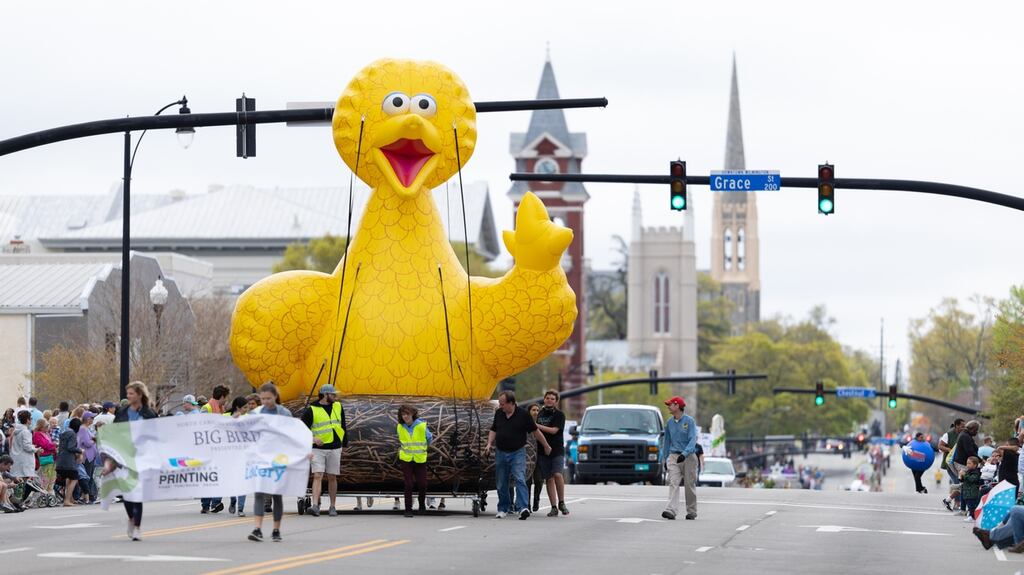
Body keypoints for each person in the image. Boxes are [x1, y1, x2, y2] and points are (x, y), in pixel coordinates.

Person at [484, 390, 552, 520]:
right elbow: (494, 429)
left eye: (502, 404)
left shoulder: (523, 415)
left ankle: (523, 508)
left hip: (517, 452)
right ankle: (503, 508)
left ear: (511, 403)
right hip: (501, 451)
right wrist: (489, 444)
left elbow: (536, 432)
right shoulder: (499, 413)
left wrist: (546, 445)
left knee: (520, 479)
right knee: (501, 481)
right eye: (499, 403)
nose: (500, 406)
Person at [105, 381, 158, 540]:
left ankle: (137, 527)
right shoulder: (122, 412)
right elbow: (113, 434)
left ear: (140, 394)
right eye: (127, 394)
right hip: (123, 457)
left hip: (141, 457)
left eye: (131, 393)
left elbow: (155, 435)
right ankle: (131, 518)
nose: (128, 396)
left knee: (136, 493)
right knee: (127, 492)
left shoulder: (149, 414)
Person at [248, 382, 292, 543]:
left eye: (268, 398)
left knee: (276, 495)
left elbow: (293, 434)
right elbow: (245, 432)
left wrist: (303, 451)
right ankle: (257, 529)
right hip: (260, 458)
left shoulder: (284, 413)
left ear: (275, 396)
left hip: (278, 458)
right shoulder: (256, 414)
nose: (265, 401)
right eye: (263, 398)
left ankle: (276, 530)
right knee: (259, 493)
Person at [300, 384, 346, 517]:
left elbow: (342, 425)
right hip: (318, 449)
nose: (335, 396)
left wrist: (345, 442)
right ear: (325, 395)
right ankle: (315, 506)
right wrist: (313, 439)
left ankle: (332, 506)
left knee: (332, 476)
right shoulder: (312, 410)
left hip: (335, 447)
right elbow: (301, 430)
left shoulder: (338, 406)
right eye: (333, 394)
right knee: (318, 475)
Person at [661, 396, 698, 521]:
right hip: (674, 456)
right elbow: (667, 442)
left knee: (689, 484)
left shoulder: (690, 421)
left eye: (670, 404)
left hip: (688, 457)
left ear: (677, 406)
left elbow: (693, 440)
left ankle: (691, 511)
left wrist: (685, 453)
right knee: (673, 482)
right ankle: (671, 510)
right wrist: (665, 459)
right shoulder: (669, 423)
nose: (668, 407)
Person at [535, 389, 570, 517]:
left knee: (557, 474)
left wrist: (536, 426)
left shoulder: (559, 415)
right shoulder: (539, 414)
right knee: (548, 478)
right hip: (542, 450)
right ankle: (553, 507)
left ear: (556, 401)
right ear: (544, 399)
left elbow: (554, 431)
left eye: (552, 398)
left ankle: (562, 502)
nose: (549, 400)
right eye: (547, 398)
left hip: (556, 449)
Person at [396, 404, 431, 517]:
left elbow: (429, 438)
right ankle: (408, 509)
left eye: (407, 414)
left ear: (412, 414)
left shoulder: (421, 425)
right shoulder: (400, 427)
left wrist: (424, 448)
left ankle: (421, 506)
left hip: (420, 458)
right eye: (403, 414)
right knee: (408, 484)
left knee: (422, 484)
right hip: (406, 459)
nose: (405, 416)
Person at [226, 397, 250, 517]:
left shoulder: (249, 419)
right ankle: (233, 499)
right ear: (237, 408)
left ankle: (240, 508)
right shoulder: (228, 419)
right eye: (245, 407)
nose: (247, 409)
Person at [939, 419, 965, 511]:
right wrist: (950, 450)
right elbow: (940, 446)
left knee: (960, 483)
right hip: (950, 463)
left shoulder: (963, 434)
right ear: (956, 425)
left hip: (960, 464)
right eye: (962, 426)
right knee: (957, 483)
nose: (963, 427)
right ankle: (956, 504)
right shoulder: (948, 435)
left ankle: (950, 501)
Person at [56, 418, 83, 506]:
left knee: (68, 478)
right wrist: (80, 451)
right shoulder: (73, 434)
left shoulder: (64, 432)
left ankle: (70, 498)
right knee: (74, 478)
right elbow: (71, 447)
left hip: (61, 459)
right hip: (68, 461)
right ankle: (67, 500)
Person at [10, 410, 39, 481]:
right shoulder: (26, 432)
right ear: (27, 420)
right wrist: (36, 449)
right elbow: (27, 447)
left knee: (17, 481)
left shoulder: (16, 430)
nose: (32, 420)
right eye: (31, 418)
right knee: (23, 481)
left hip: (16, 458)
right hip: (24, 460)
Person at [32, 418, 57, 495]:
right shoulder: (37, 434)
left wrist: (53, 445)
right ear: (41, 427)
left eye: (48, 426)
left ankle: (50, 492)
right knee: (45, 477)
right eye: (46, 426)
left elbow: (49, 445)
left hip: (52, 457)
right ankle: (43, 493)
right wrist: (54, 445)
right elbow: (45, 445)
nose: (47, 427)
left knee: (52, 477)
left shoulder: (47, 434)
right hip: (44, 458)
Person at [78, 411, 98, 503]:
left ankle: (88, 495)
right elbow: (87, 443)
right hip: (87, 456)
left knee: (89, 476)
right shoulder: (83, 429)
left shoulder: (87, 428)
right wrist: (94, 440)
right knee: (87, 476)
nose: (93, 419)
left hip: (91, 455)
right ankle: (86, 496)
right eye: (92, 418)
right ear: (87, 419)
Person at [959, 455, 982, 521]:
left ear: (975, 465)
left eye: (969, 463)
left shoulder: (976, 472)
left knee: (972, 505)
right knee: (969, 505)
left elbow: (972, 479)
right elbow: (964, 480)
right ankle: (970, 515)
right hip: (967, 492)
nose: (967, 465)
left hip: (972, 492)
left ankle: (972, 516)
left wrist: (965, 475)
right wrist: (961, 476)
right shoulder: (968, 471)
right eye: (967, 463)